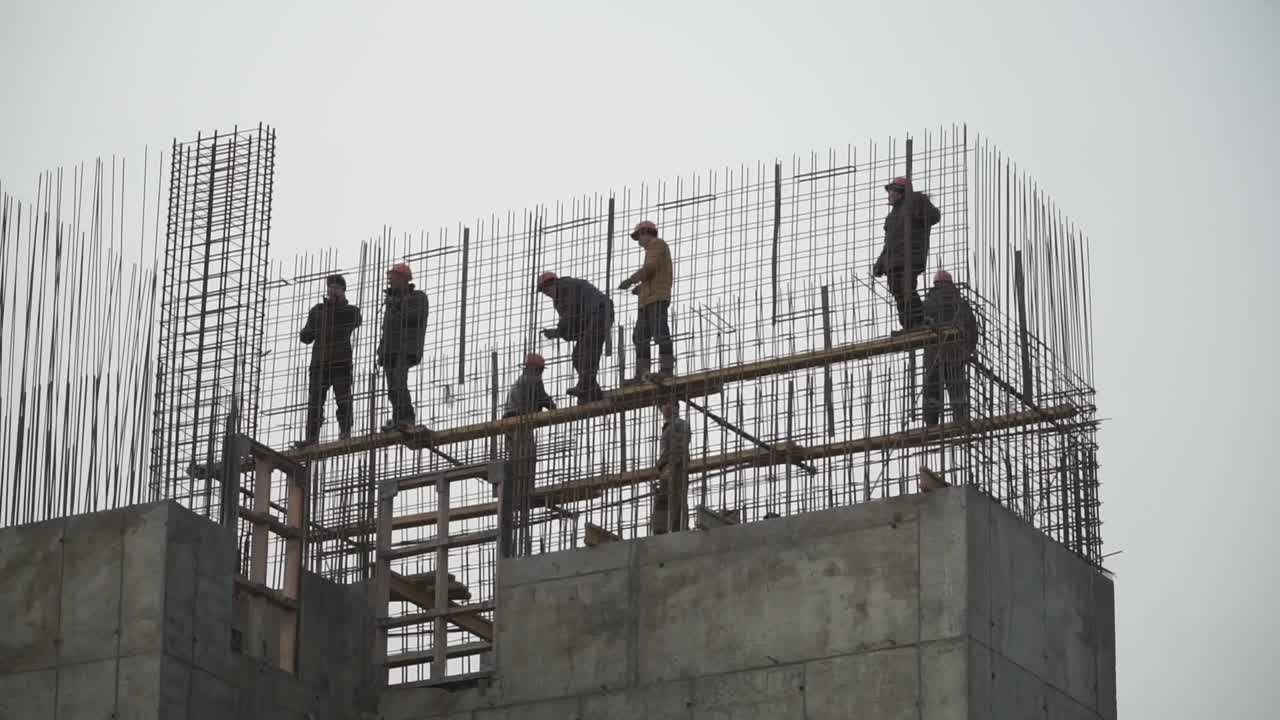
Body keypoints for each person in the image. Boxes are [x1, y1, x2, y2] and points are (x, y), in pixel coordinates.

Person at [294, 274, 361, 447]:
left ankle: (345, 432)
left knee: (343, 399)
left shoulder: (350, 310)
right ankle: (311, 437)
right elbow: (307, 336)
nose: (332, 290)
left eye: (336, 287)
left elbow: (355, 321)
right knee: (315, 402)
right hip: (319, 364)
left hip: (341, 362)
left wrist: (337, 305)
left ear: (343, 290)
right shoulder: (318, 310)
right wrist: (306, 332)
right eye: (330, 287)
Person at [500, 352, 557, 552]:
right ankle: (522, 493)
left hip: (514, 425)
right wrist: (552, 408)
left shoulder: (524, 380)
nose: (540, 373)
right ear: (534, 369)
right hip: (519, 424)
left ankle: (520, 493)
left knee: (519, 461)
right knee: (525, 458)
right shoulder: (531, 379)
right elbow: (542, 398)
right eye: (539, 370)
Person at [873, 176, 941, 332]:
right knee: (897, 291)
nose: (889, 195)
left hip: (910, 256)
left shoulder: (916, 200)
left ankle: (920, 320)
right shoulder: (892, 216)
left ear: (901, 192)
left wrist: (919, 210)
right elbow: (888, 243)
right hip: (894, 260)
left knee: (907, 289)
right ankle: (909, 325)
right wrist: (880, 263)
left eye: (892, 191)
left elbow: (934, 216)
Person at [537, 271, 614, 403]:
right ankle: (592, 390)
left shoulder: (566, 286)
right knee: (577, 356)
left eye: (546, 290)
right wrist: (558, 333)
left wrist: (558, 331)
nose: (547, 294)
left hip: (600, 312)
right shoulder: (559, 301)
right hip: (590, 321)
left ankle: (585, 387)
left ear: (553, 283)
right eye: (544, 292)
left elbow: (571, 312)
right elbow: (572, 327)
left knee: (588, 350)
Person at [617, 220, 675, 384]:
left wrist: (631, 280)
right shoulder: (652, 249)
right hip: (647, 300)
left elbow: (650, 268)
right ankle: (643, 375)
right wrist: (641, 288)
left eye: (639, 237)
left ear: (645, 233)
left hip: (656, 298)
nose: (639, 242)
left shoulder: (657, 244)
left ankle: (666, 370)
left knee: (659, 332)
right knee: (640, 336)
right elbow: (653, 275)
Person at [921, 270, 979, 426]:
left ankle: (931, 425)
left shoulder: (927, 303)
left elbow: (917, 329)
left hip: (934, 357)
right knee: (957, 391)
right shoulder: (960, 303)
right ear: (951, 284)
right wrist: (966, 352)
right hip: (956, 356)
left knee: (932, 391)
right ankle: (960, 421)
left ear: (935, 284)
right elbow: (973, 332)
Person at [376, 262, 429, 430]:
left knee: (399, 382)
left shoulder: (417, 297)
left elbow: (415, 316)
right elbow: (388, 329)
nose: (390, 281)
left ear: (404, 279)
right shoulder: (392, 301)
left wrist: (397, 304)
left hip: (405, 348)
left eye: (393, 278)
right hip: (390, 349)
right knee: (392, 388)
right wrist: (381, 350)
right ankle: (398, 418)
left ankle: (407, 418)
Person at [650, 397, 691, 535]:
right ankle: (660, 531)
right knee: (663, 499)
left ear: (677, 408)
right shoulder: (667, 427)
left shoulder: (679, 424)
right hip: (666, 468)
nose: (665, 407)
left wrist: (671, 465)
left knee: (676, 498)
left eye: (670, 404)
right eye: (663, 405)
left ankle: (679, 529)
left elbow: (680, 446)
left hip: (676, 467)